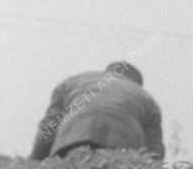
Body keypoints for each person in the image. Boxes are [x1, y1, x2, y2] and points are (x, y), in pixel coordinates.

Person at [30, 60, 165, 161]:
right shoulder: (147, 99)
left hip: (70, 145)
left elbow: (48, 129)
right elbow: (154, 152)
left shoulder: (71, 82)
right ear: (136, 82)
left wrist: (34, 164)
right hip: (123, 153)